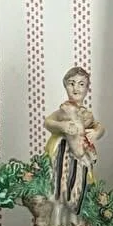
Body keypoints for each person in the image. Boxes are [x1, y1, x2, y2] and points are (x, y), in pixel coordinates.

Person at [44, 67, 101, 216]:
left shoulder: (87, 114)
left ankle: (74, 217)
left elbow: (99, 126)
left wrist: (96, 132)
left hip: (80, 156)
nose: (76, 88)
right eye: (72, 83)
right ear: (65, 85)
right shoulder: (64, 110)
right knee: (60, 182)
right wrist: (61, 126)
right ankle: (57, 216)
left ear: (87, 88)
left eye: (81, 84)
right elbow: (48, 122)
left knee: (77, 183)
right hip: (62, 153)